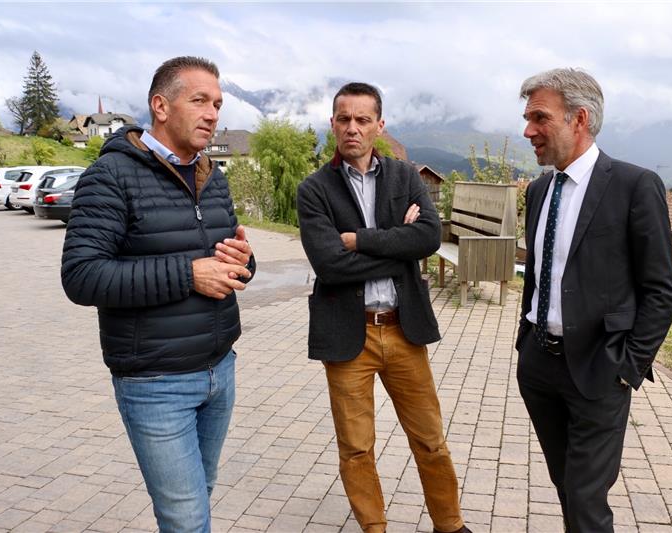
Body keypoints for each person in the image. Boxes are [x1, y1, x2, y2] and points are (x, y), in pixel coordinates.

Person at [61, 56, 255, 532]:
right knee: (186, 518)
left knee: (198, 499)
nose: (212, 114)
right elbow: (81, 276)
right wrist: (188, 275)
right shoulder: (111, 176)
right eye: (200, 101)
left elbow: (228, 265)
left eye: (218, 104)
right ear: (160, 106)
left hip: (219, 370)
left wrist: (243, 262)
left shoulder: (212, 176)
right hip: (155, 382)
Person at [297, 82, 470, 533]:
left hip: (403, 329)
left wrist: (359, 240)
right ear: (333, 124)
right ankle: (374, 528)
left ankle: (450, 525)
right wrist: (399, 245)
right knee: (356, 448)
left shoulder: (405, 177)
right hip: (347, 336)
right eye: (343, 119)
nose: (352, 128)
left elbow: (427, 237)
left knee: (430, 440)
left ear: (379, 125)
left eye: (362, 119)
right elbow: (330, 265)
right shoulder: (314, 190)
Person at [515, 67, 672, 532]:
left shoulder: (633, 185)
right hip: (539, 366)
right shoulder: (540, 189)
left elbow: (660, 290)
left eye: (540, 118)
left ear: (579, 118)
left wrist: (627, 368)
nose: (528, 131)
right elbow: (540, 275)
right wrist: (526, 344)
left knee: (587, 497)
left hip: (599, 369)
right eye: (527, 119)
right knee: (567, 485)